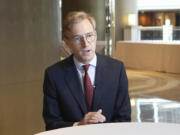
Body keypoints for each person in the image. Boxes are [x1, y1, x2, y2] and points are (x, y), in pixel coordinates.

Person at [43, 11, 131, 131]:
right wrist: (79, 125)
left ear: (95, 35)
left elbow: (124, 119)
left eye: (89, 35)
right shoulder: (54, 75)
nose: (85, 43)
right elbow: (52, 124)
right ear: (67, 42)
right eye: (78, 38)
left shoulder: (117, 69)